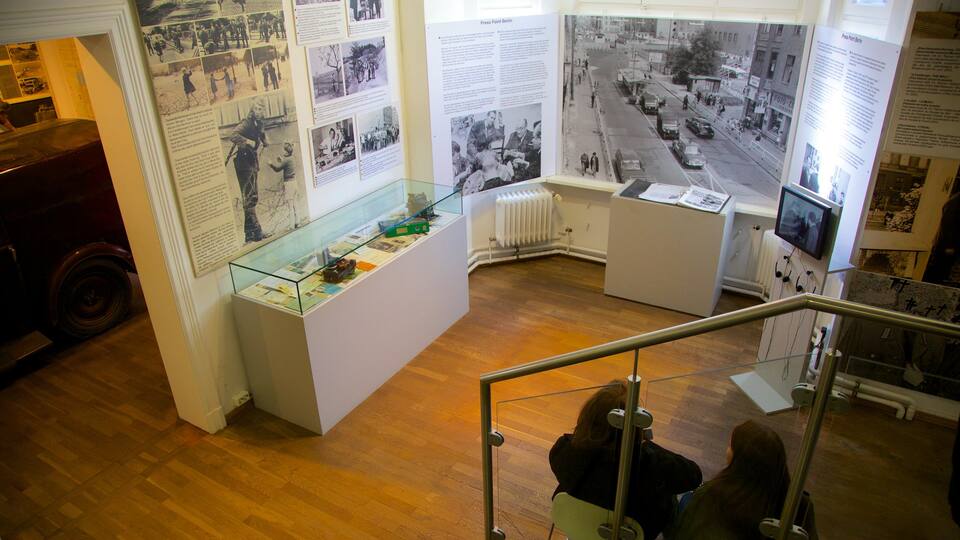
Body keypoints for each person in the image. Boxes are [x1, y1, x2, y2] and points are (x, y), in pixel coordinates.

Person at [550, 381, 702, 539]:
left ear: (587, 416)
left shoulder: (564, 449)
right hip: (631, 532)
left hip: (578, 524)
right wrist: (643, 444)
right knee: (675, 498)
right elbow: (694, 476)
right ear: (634, 425)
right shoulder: (650, 463)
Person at [671, 421, 818, 540]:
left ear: (740, 461)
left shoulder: (710, 497)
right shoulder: (799, 505)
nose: (727, 449)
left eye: (731, 446)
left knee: (686, 499)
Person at [226, 100, 268, 242]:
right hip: (244, 163)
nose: (258, 111)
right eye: (256, 108)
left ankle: (249, 235)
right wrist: (247, 142)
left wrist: (264, 140)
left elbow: (260, 134)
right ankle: (258, 231)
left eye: (260, 109)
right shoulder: (247, 122)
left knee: (250, 197)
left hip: (252, 162)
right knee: (251, 198)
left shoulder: (259, 123)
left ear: (263, 111)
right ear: (252, 109)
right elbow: (233, 135)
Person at [269, 142, 300, 229]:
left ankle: (291, 226)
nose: (283, 152)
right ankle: (298, 222)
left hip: (289, 184)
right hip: (294, 182)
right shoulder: (292, 158)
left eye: (284, 150)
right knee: (295, 204)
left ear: (286, 151)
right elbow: (286, 164)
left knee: (290, 205)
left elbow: (277, 169)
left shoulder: (286, 160)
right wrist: (281, 160)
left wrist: (270, 164)